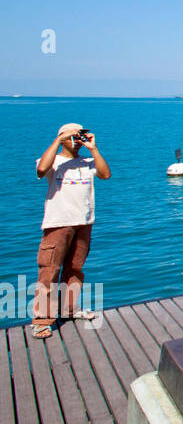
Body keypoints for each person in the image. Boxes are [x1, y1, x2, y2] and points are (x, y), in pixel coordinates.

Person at [32, 124, 111, 339]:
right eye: (73, 137)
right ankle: (42, 320)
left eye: (80, 136)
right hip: (58, 223)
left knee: (75, 268)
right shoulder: (53, 161)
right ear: (64, 138)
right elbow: (40, 171)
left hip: (84, 223)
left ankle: (69, 310)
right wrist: (58, 141)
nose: (77, 140)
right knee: (49, 271)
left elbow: (105, 175)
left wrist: (93, 149)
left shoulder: (87, 162)